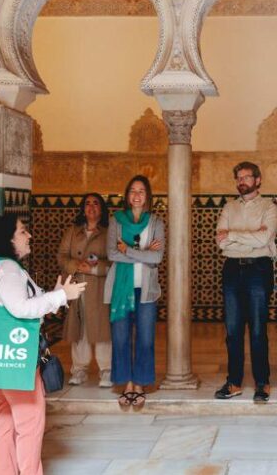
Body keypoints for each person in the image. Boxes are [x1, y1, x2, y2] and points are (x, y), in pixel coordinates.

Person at [0, 214, 85, 475]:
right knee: (30, 423)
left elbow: (21, 303)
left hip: (4, 357)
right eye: (23, 232)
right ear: (8, 239)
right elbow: (21, 308)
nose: (29, 236)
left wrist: (54, 295)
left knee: (7, 420)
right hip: (18, 360)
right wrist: (60, 296)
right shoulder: (8, 269)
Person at [214, 161, 277, 403]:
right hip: (231, 269)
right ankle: (234, 382)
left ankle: (263, 383)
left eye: (246, 177)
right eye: (238, 177)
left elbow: (264, 238)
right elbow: (220, 241)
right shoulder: (229, 207)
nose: (242, 181)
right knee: (232, 331)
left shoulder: (269, 207)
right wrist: (246, 238)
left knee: (258, 330)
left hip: (258, 269)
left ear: (258, 180)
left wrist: (232, 235)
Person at [105, 175, 165, 409]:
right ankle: (127, 384)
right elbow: (111, 254)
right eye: (132, 191)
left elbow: (156, 258)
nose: (137, 195)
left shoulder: (156, 222)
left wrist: (128, 250)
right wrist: (143, 251)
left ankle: (140, 384)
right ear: (127, 195)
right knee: (120, 338)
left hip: (147, 290)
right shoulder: (116, 221)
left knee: (145, 338)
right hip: (121, 289)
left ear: (148, 196)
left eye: (141, 191)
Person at [57, 193, 113, 388]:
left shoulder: (109, 232)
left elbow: (115, 262)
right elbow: (62, 256)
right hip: (77, 286)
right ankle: (79, 369)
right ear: (82, 208)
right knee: (80, 329)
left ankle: (106, 370)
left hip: (99, 288)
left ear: (102, 208)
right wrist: (76, 265)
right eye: (87, 203)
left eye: (95, 203)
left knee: (102, 329)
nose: (91, 207)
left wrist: (94, 269)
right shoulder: (73, 232)